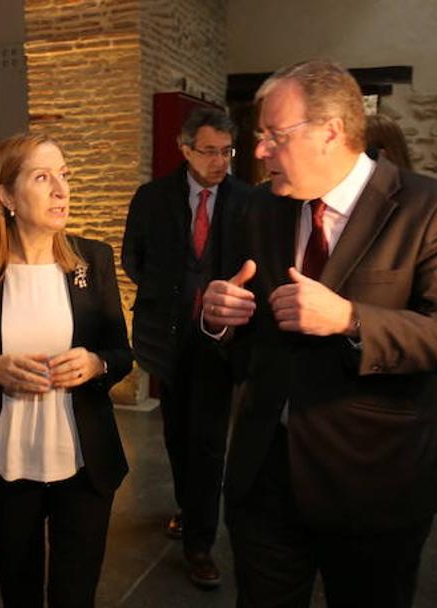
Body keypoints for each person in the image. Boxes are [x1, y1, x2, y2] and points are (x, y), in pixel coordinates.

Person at [201, 60, 437, 607]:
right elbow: (241, 326)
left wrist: (351, 319)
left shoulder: (430, 207)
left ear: (329, 131)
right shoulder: (259, 208)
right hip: (265, 475)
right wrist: (217, 318)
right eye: (259, 137)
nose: (258, 151)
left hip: (374, 479)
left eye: (272, 136)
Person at [0, 132, 132, 607]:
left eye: (64, 175)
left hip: (83, 459)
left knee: (74, 595)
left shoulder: (92, 260)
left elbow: (121, 353)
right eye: (43, 177)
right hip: (8, 461)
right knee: (18, 591)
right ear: (5, 195)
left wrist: (96, 363)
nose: (62, 189)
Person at [121, 108, 249, 588]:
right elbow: (132, 256)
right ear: (185, 147)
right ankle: (187, 504)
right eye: (210, 151)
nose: (219, 162)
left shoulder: (247, 200)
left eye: (226, 152)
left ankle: (201, 543)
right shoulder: (153, 198)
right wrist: (170, 292)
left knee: (210, 440)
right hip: (167, 337)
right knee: (176, 434)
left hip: (222, 342)